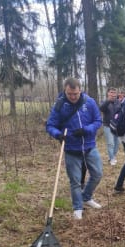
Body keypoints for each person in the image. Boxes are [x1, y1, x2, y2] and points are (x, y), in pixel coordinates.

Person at [46, 78, 103, 220]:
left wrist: (86, 130)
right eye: (69, 94)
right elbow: (50, 125)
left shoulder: (89, 102)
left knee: (97, 174)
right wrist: (58, 134)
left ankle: (86, 197)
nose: (72, 97)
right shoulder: (60, 105)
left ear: (80, 90)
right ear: (65, 90)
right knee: (75, 181)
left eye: (75, 94)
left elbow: (98, 121)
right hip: (71, 149)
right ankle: (78, 207)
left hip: (89, 146)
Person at [100, 87, 121, 166]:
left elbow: (120, 111)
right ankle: (112, 158)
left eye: (114, 93)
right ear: (108, 93)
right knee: (110, 143)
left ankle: (112, 156)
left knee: (117, 143)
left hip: (116, 126)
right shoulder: (104, 102)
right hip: (107, 125)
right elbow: (101, 108)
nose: (113, 94)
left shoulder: (118, 102)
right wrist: (108, 101)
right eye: (111, 92)